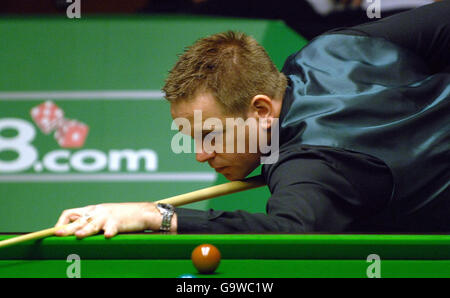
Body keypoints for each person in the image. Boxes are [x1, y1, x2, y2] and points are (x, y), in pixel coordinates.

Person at [55, 1, 449, 238]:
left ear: (260, 110)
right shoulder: (333, 48)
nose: (200, 155)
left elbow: (289, 233)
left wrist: (152, 215)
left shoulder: (310, 164)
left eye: (211, 136)